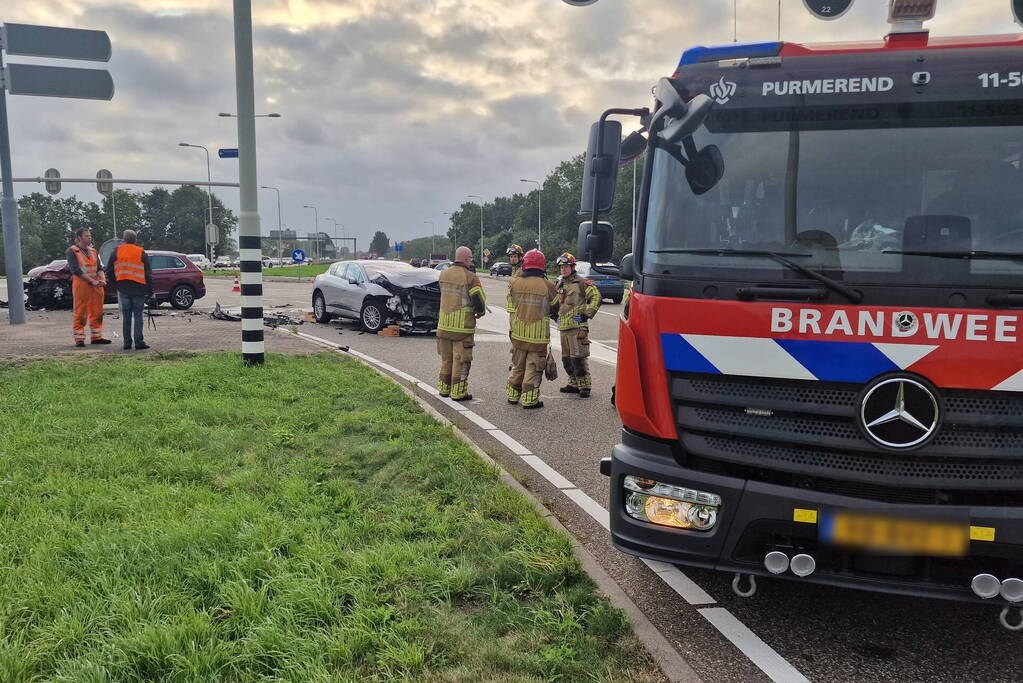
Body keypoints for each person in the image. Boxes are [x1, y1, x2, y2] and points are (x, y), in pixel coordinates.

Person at [507, 249, 559, 409]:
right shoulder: (548, 286)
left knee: (518, 366)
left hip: (518, 333)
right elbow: (555, 308)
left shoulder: (514, 282)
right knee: (533, 367)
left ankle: (512, 395)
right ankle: (530, 400)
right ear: (542, 266)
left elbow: (512, 304)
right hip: (537, 336)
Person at [437, 245, 487, 401]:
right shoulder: (470, 277)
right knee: (461, 361)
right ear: (466, 259)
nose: (471, 260)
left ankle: (444, 389)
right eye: (471, 257)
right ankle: (459, 392)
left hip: (443, 326)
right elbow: (478, 301)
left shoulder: (443, 274)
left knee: (446, 359)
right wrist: (480, 312)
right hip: (462, 329)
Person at [556, 252, 601, 398]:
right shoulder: (560, 282)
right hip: (563, 327)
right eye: (561, 267)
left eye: (566, 267)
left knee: (578, 358)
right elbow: (557, 302)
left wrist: (587, 313)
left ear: (572, 267)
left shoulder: (581, 282)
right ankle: (573, 383)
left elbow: (596, 296)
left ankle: (585, 386)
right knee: (566, 359)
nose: (563, 269)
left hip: (577, 327)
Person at [105, 229, 154, 350]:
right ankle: (139, 342)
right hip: (139, 289)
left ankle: (127, 343)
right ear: (135, 240)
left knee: (126, 316)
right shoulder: (141, 252)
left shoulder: (116, 251)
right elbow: (148, 273)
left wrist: (116, 283)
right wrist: (150, 290)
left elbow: (109, 270)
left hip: (123, 288)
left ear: (123, 239)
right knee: (138, 316)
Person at [66, 227, 110, 347]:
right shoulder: (72, 251)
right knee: (80, 312)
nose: (89, 237)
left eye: (90, 235)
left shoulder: (94, 251)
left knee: (97, 311)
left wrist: (102, 279)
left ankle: (97, 337)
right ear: (80, 237)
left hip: (96, 286)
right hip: (82, 285)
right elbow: (76, 270)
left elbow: (99, 268)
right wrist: (92, 281)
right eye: (86, 236)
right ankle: (79, 339)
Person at [504, 244, 524, 314]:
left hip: (519, 310)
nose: (512, 259)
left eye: (515, 257)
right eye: (511, 257)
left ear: (520, 258)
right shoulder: (514, 270)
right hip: (513, 310)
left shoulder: (522, 271)